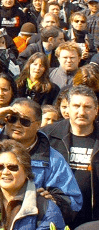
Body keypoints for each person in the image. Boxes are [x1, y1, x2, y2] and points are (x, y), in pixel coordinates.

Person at [0, 97, 83, 221]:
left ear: (39, 124)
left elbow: (73, 202)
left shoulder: (53, 159)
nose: (17, 125)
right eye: (12, 119)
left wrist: (53, 201)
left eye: (25, 121)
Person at [41, 86, 99, 227]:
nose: (81, 112)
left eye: (87, 107)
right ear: (67, 108)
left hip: (94, 217)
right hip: (57, 215)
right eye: (76, 106)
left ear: (96, 110)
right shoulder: (47, 136)